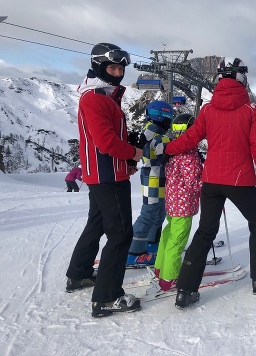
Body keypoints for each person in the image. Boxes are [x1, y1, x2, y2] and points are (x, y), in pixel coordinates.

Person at [157, 57, 256, 309]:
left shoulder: (208, 110)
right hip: (240, 181)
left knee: (204, 233)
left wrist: (168, 149)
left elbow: (190, 138)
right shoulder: (251, 110)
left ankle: (186, 291)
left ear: (220, 79)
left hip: (211, 181)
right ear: (242, 78)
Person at [65, 43, 142, 318]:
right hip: (107, 176)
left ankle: (79, 274)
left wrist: (127, 162)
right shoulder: (96, 98)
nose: (118, 72)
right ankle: (108, 298)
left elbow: (109, 141)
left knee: (96, 223)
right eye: (112, 67)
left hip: (103, 173)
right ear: (99, 66)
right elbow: (106, 142)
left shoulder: (103, 95)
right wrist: (134, 153)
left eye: (121, 67)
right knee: (121, 235)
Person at [153, 113, 203, 291]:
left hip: (173, 202)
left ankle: (160, 268)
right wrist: (209, 183)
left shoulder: (172, 151)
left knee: (168, 235)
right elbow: (194, 182)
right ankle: (170, 276)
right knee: (178, 240)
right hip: (184, 205)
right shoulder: (188, 155)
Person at [126, 100, 173, 267]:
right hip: (155, 178)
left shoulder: (148, 131)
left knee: (158, 212)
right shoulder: (159, 136)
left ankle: (152, 244)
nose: (170, 120)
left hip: (153, 177)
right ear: (163, 116)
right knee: (149, 213)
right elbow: (165, 158)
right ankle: (134, 251)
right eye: (169, 116)